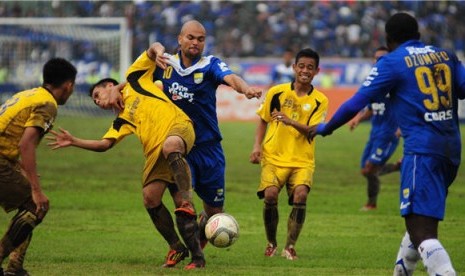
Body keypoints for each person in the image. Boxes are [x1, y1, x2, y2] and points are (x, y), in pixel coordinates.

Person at [310, 12, 465, 275]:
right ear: (418, 35)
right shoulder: (445, 55)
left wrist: (326, 128)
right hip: (451, 149)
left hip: (421, 151)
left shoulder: (392, 62)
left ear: (389, 40)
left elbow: (355, 103)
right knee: (418, 222)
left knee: (422, 231)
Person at [103, 19, 262, 261]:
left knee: (214, 212)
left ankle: (196, 246)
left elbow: (231, 78)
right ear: (180, 39)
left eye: (200, 39)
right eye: (191, 37)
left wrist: (246, 89)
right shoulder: (165, 63)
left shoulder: (210, 65)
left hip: (209, 148)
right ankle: (183, 250)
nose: (195, 42)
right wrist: (117, 88)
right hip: (178, 147)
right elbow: (138, 79)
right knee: (171, 200)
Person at [47, 43, 206, 269]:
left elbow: (152, 49)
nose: (98, 102)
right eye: (95, 101)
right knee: (150, 198)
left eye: (97, 95)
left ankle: (189, 204)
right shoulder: (121, 118)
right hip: (155, 153)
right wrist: (74, 141)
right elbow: (104, 144)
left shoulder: (134, 79)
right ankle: (179, 249)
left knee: (171, 150)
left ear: (110, 86)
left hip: (179, 128)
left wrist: (159, 53)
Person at [0, 58, 77, 276]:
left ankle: (15, 268)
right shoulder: (47, 104)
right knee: (35, 205)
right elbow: (26, 144)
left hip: (6, 160)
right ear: (68, 85)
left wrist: (22, 171)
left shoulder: (28, 94)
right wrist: (36, 188)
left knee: (30, 207)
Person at [250, 48, 328, 260]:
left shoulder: (320, 100)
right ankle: (272, 243)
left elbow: (314, 131)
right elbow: (263, 119)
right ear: (294, 67)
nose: (305, 70)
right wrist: (256, 146)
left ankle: (290, 246)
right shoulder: (276, 92)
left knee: (301, 195)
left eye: (310, 67)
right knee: (270, 195)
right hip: (274, 156)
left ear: (317, 71)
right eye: (301, 66)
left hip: (302, 160)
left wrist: (290, 121)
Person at [348, 46, 401, 211]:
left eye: (383, 58)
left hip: (389, 133)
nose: (379, 61)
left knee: (371, 168)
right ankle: (398, 167)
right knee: (366, 170)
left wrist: (401, 127)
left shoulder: (396, 82)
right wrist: (358, 119)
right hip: (375, 133)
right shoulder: (373, 82)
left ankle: (371, 204)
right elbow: (371, 109)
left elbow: (407, 106)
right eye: (377, 58)